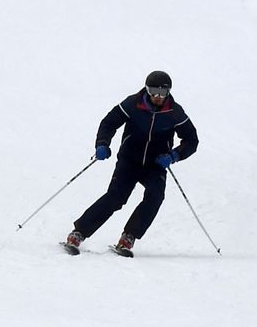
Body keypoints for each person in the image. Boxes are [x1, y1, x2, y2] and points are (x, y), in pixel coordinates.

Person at [64, 70, 199, 256]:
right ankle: (78, 233)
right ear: (146, 89)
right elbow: (109, 123)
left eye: (162, 92)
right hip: (129, 161)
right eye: (153, 91)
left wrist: (174, 155)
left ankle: (129, 237)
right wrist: (102, 144)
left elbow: (191, 140)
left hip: (155, 164)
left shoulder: (174, 112)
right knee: (116, 198)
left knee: (155, 196)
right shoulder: (132, 104)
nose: (157, 97)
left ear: (169, 92)